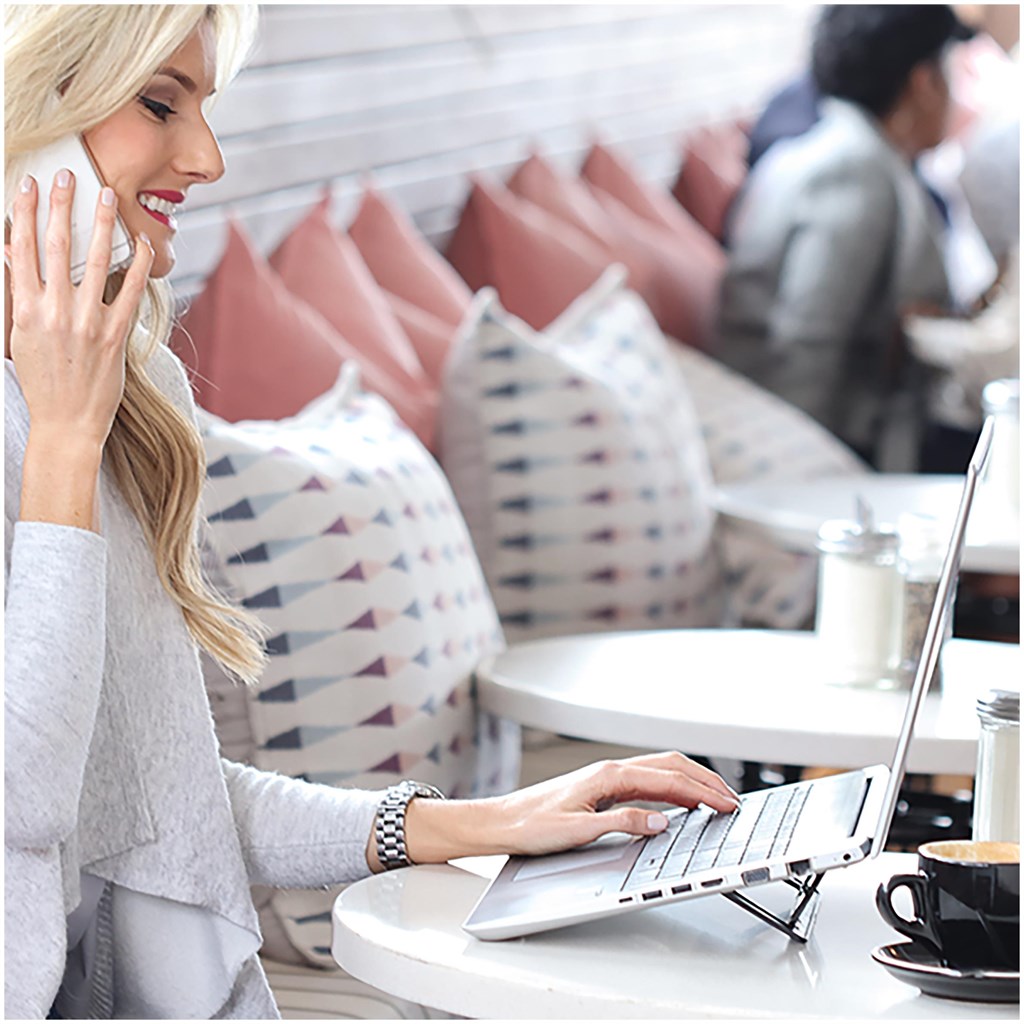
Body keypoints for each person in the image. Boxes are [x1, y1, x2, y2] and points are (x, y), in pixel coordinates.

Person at [2, 6, 740, 1020]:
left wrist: (494, 820)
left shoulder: (126, 390)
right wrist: (63, 445)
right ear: (30, 120)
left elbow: (156, 801)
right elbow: (21, 801)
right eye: (160, 104)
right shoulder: (64, 421)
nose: (207, 157)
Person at [716, 5, 973, 465]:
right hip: (812, 449)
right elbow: (807, 349)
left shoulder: (852, 151)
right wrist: (814, 483)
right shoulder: (853, 173)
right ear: (924, 82)